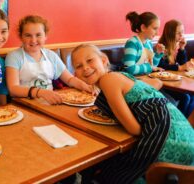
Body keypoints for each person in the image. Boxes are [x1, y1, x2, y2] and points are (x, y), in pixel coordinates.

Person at [71, 44, 194, 184]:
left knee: (109, 174)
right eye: (78, 66)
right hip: (186, 137)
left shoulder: (108, 80)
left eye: (90, 60)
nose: (85, 68)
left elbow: (134, 129)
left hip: (169, 138)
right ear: (75, 73)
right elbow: (156, 82)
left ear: (104, 60)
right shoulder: (122, 76)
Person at [5, 15, 92, 105]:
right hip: (24, 105)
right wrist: (40, 92)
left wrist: (85, 86)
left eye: (38, 35)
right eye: (28, 35)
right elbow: (13, 89)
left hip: (50, 103)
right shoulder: (14, 57)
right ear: (21, 37)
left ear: (45, 36)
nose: (33, 40)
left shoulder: (51, 56)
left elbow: (69, 79)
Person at [158, 19, 194, 117]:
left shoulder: (176, 46)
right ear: (170, 33)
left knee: (192, 96)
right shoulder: (162, 46)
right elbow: (161, 66)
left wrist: (182, 49)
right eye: (178, 33)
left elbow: (182, 63)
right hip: (164, 84)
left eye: (182, 32)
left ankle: (187, 123)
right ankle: (178, 122)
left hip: (175, 81)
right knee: (185, 97)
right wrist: (180, 67)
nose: (181, 35)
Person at [123, 11, 165, 75]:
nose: (157, 33)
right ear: (143, 27)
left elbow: (153, 65)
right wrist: (150, 67)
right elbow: (129, 68)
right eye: (155, 28)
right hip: (132, 80)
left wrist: (157, 54)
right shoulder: (132, 43)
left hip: (145, 78)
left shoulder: (149, 43)